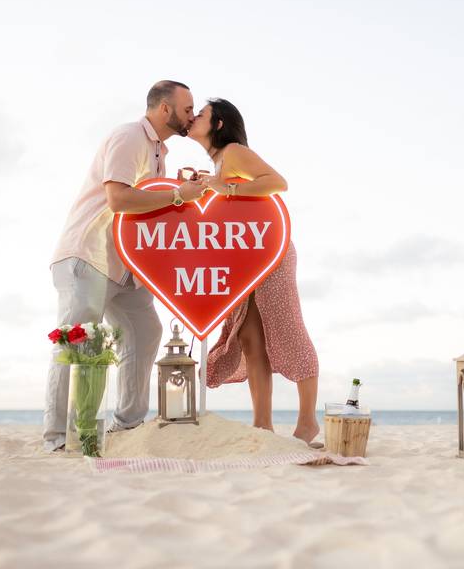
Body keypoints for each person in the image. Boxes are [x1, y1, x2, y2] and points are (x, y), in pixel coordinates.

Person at [43, 80, 205, 452]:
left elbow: (150, 206)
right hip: (87, 254)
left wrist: (184, 194)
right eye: (186, 108)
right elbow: (119, 199)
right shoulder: (130, 137)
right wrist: (179, 194)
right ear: (164, 109)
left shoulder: (161, 152)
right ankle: (56, 438)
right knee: (74, 341)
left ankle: (127, 425)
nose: (191, 115)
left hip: (125, 266)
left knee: (146, 330)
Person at [188, 98, 321, 446]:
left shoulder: (233, 151)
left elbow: (277, 182)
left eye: (199, 114)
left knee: (288, 328)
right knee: (249, 338)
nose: (192, 118)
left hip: (270, 253)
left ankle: (307, 423)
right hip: (243, 259)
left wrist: (226, 187)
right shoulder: (219, 162)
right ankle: (263, 425)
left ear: (217, 124)